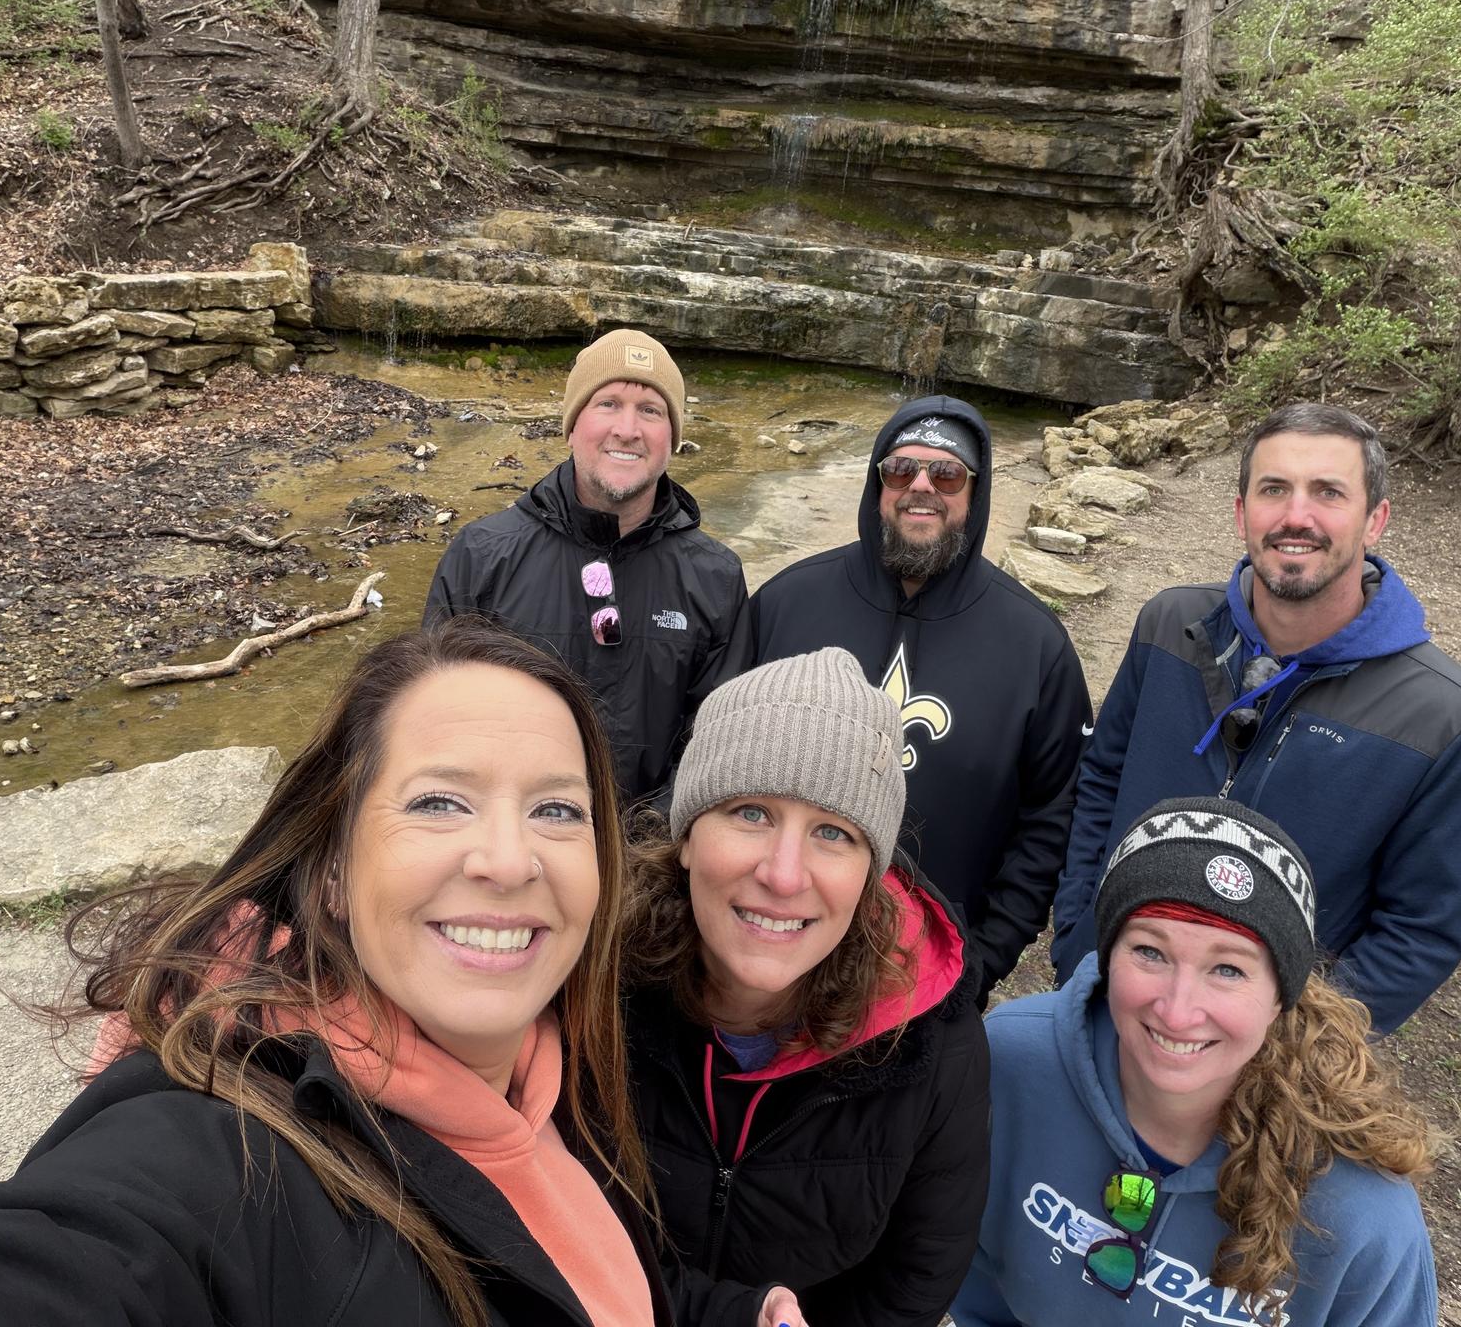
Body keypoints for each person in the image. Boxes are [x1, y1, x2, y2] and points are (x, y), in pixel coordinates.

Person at [0, 619, 668, 1327]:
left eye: (557, 810)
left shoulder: (562, 1073)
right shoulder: (230, 1164)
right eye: (439, 802)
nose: (509, 861)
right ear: (333, 870)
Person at [1049, 402, 1461, 1034]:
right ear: (1241, 513)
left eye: (1328, 492)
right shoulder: (1167, 626)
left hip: (1271, 1055)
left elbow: (1421, 929)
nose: (1297, 516)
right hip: (1105, 996)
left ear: (1375, 520)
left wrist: (1290, 1045)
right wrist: (1078, 938)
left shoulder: (1448, 717)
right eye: (1274, 489)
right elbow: (1102, 779)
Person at [954, 798, 1439, 1327]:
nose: (1177, 1011)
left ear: (1281, 996)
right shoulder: (1010, 1064)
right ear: (1109, 955)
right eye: (1150, 952)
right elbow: (969, 1269)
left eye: (1228, 969)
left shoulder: (1363, 1211)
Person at [622, 647, 989, 1327]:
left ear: (869, 875)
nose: (785, 875)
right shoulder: (595, 983)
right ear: (687, 837)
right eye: (751, 813)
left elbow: (919, 1271)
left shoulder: (930, 1037)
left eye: (833, 832)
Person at [738, 395, 1091, 998]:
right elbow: (715, 765)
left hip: (931, 968)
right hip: (771, 935)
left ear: (975, 493)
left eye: (947, 474)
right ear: (877, 484)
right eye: (901, 470)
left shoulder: (1035, 645)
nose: (921, 487)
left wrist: (983, 958)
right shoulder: (785, 604)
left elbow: (1051, 819)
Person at [424, 328, 747, 807]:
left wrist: (651, 836)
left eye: (651, 410)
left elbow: (717, 740)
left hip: (649, 844)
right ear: (573, 425)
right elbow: (438, 717)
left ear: (673, 438)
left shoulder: (716, 578)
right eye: (608, 404)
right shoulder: (483, 555)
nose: (628, 429)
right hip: (511, 834)